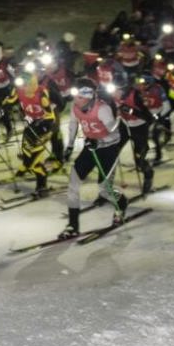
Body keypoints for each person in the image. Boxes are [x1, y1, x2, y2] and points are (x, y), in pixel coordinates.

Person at [60, 77, 126, 239]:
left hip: (108, 149)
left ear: (89, 96)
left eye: (80, 97)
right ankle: (72, 225)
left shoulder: (102, 109)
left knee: (104, 189)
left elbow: (114, 131)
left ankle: (121, 205)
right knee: (73, 183)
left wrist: (100, 140)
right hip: (90, 148)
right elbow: (73, 125)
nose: (76, 100)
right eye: (75, 96)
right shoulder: (76, 107)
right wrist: (69, 146)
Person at [2, 72, 56, 196]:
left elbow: (50, 116)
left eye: (25, 86)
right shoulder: (19, 91)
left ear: (31, 85)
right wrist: (1, 108)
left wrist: (40, 123)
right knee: (26, 149)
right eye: (21, 87)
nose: (23, 90)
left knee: (35, 157)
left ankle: (42, 184)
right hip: (31, 124)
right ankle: (26, 165)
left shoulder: (41, 95)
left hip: (45, 125)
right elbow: (10, 101)